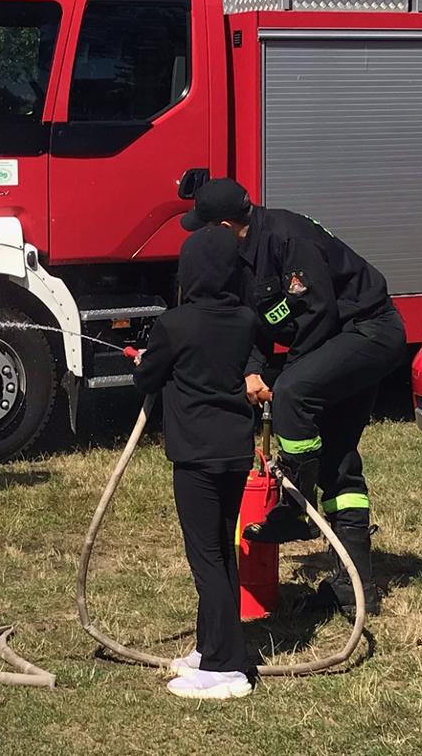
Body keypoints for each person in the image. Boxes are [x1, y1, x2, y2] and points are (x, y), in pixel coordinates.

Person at [183, 178, 404, 618]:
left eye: (205, 228)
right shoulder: (242, 257)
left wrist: (285, 379)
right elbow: (258, 323)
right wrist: (252, 370)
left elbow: (317, 317)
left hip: (369, 332)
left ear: (225, 226)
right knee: (338, 460)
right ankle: (354, 588)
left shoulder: (287, 238)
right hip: (337, 340)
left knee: (293, 393)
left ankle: (295, 508)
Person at [131, 225, 258, 700]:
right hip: (235, 451)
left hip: (196, 456)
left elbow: (148, 378)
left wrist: (144, 362)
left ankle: (227, 669)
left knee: (206, 559)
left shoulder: (175, 324)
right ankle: (210, 647)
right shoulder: (245, 319)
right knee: (222, 550)